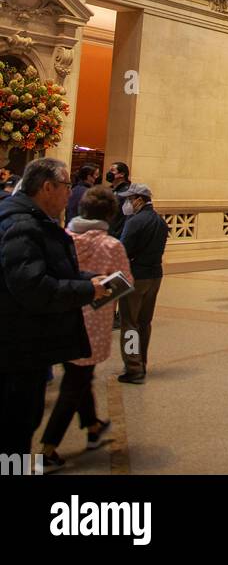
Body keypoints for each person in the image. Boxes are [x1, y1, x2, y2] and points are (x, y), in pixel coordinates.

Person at [0, 158, 105, 457]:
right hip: (19, 348)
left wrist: (86, 280)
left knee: (17, 428)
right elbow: (33, 288)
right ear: (48, 187)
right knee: (14, 433)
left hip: (23, 345)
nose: (70, 195)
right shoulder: (22, 224)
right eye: (66, 187)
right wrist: (87, 289)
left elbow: (41, 273)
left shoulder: (26, 219)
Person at [40, 185, 132, 471]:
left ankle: (92, 427)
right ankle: (48, 449)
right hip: (92, 324)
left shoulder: (63, 238)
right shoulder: (111, 245)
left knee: (79, 375)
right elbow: (124, 282)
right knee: (75, 383)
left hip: (61, 317)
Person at [118, 184, 168, 383]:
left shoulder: (135, 221)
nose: (127, 203)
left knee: (129, 323)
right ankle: (142, 361)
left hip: (136, 277)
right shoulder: (160, 221)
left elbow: (123, 250)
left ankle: (133, 366)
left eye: (130, 199)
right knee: (144, 322)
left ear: (139, 199)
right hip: (155, 275)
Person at [104, 162, 131, 238]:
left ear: (122, 174)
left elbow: (127, 217)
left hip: (118, 234)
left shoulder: (127, 192)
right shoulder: (111, 190)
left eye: (112, 171)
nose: (109, 173)